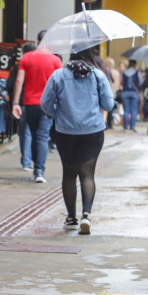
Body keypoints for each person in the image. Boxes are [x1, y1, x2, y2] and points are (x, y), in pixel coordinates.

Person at [41, 46, 114, 235]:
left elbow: (45, 104)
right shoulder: (98, 76)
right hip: (93, 132)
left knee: (69, 174)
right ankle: (87, 215)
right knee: (87, 174)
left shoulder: (58, 76)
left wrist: (58, 115)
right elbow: (108, 104)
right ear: (91, 54)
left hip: (66, 132)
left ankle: (71, 218)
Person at [11, 30, 62, 184]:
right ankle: (39, 170)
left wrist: (15, 103)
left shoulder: (26, 58)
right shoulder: (55, 61)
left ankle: (36, 167)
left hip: (30, 104)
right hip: (48, 105)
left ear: (37, 41)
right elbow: (60, 84)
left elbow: (19, 81)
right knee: (42, 135)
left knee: (34, 135)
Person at [8, 42, 37, 171]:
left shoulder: (19, 66)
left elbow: (11, 84)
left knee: (24, 132)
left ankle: (26, 160)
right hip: (38, 102)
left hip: (22, 103)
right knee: (37, 133)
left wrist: (14, 101)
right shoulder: (39, 65)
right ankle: (34, 161)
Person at [120, 59, 143, 131]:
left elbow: (122, 82)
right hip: (134, 93)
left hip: (125, 92)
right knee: (134, 110)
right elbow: (141, 82)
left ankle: (125, 126)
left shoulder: (124, 72)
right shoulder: (137, 72)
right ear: (135, 64)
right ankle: (132, 126)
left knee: (126, 110)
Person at [101, 57, 121, 129]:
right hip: (113, 91)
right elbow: (114, 81)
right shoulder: (116, 72)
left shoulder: (103, 70)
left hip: (108, 90)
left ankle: (106, 123)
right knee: (111, 107)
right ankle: (110, 123)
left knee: (105, 108)